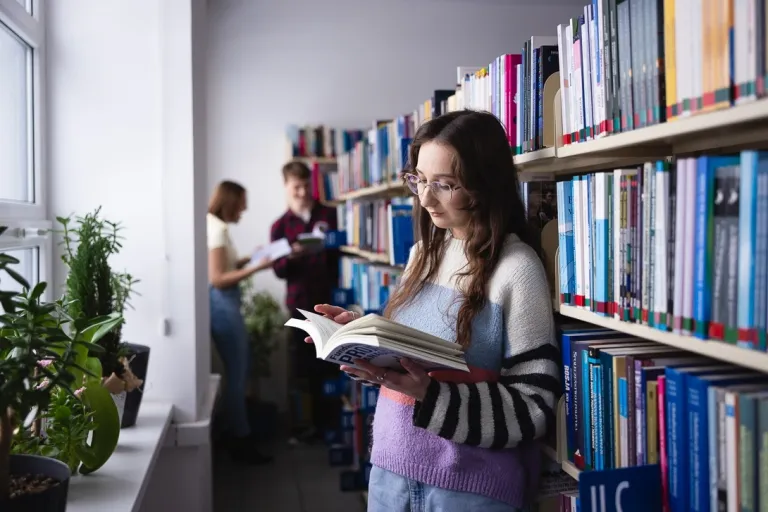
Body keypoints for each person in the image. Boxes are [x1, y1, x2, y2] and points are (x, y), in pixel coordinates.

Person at [305, 111, 559, 511]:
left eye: (444, 184)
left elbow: (533, 406)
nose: (424, 199)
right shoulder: (423, 253)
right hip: (390, 468)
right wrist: (365, 346)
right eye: (419, 180)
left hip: (467, 486)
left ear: (483, 184)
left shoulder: (516, 268)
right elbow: (413, 364)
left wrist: (431, 395)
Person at [270, 161, 341, 442]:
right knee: (302, 368)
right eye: (295, 187)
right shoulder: (279, 226)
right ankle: (305, 428)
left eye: (305, 186)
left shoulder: (331, 215)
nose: (301, 192)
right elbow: (276, 270)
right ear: (286, 187)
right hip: (299, 305)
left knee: (332, 363)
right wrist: (291, 257)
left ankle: (332, 426)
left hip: (333, 302)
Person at [207, 180, 274, 464]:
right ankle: (241, 440)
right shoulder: (218, 229)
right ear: (231, 202)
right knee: (237, 374)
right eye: (241, 205)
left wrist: (250, 258)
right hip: (222, 304)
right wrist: (258, 267)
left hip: (222, 304)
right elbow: (218, 279)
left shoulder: (211, 224)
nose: (243, 211)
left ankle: (238, 433)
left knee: (237, 372)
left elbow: (225, 266)